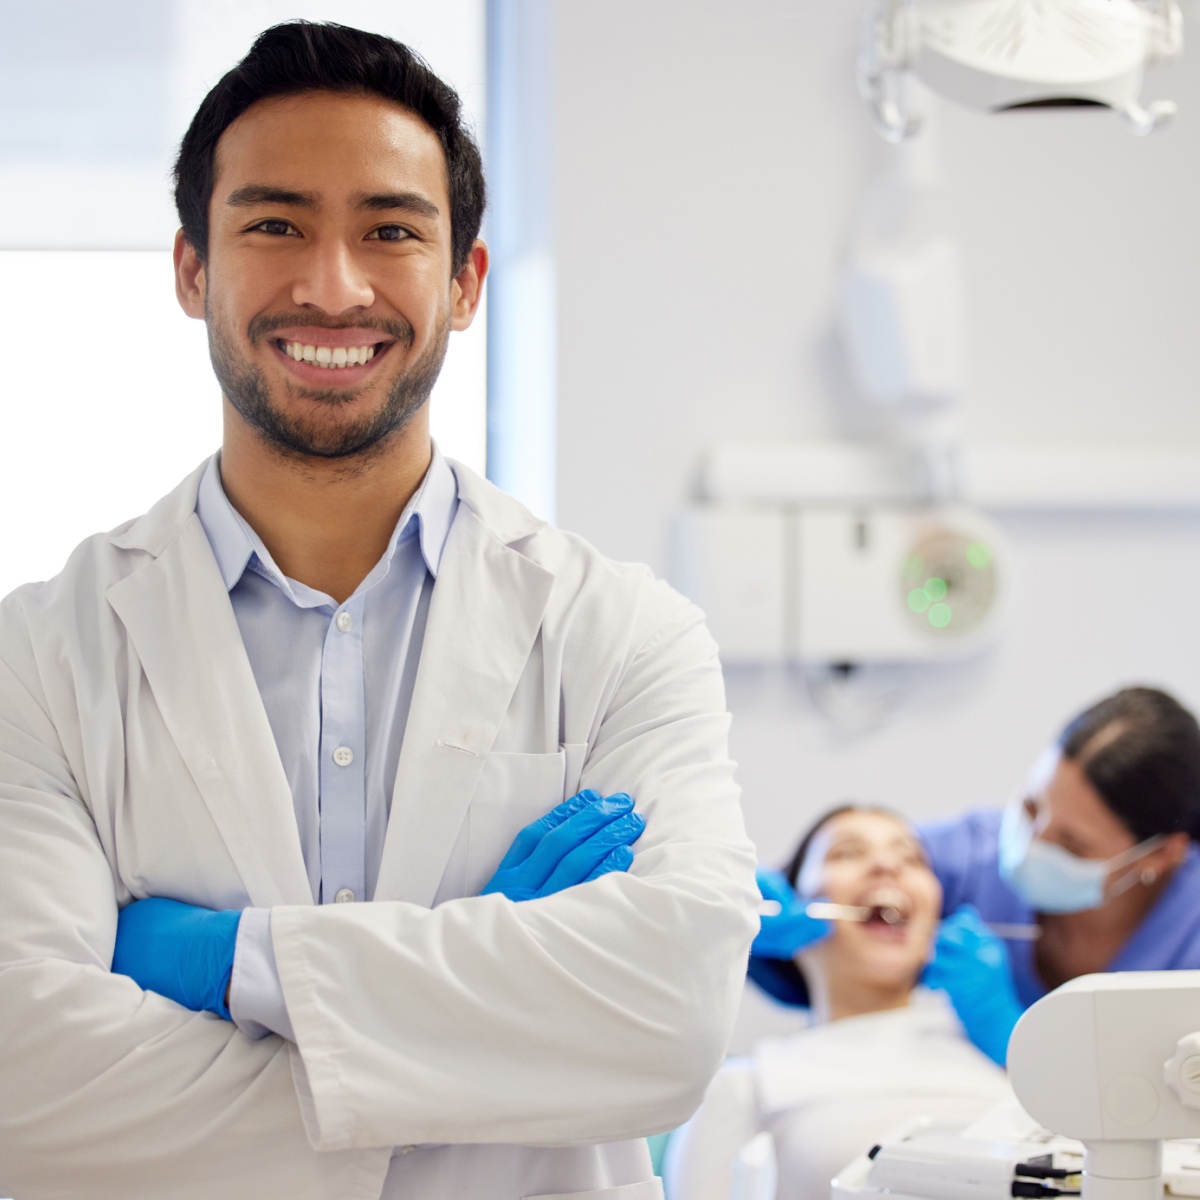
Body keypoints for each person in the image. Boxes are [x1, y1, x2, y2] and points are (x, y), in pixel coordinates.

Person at [0, 22, 758, 1200]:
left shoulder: (624, 635)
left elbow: (670, 1021)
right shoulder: (40, 658)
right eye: (274, 225)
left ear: (465, 283)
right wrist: (482, 1001)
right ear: (193, 269)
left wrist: (227, 963)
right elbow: (26, 1083)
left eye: (391, 231)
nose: (333, 286)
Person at [749, 686, 1200, 1067]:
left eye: (1071, 844)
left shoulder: (1189, 933)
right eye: (1029, 807)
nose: (1032, 843)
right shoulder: (966, 856)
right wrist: (742, 911)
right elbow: (799, 876)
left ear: (1158, 856)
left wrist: (1010, 1039)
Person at [664, 806, 1012, 1200]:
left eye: (911, 858)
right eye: (846, 853)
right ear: (786, 909)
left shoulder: (1008, 1068)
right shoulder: (749, 1087)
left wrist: (1019, 1055)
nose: (886, 865)